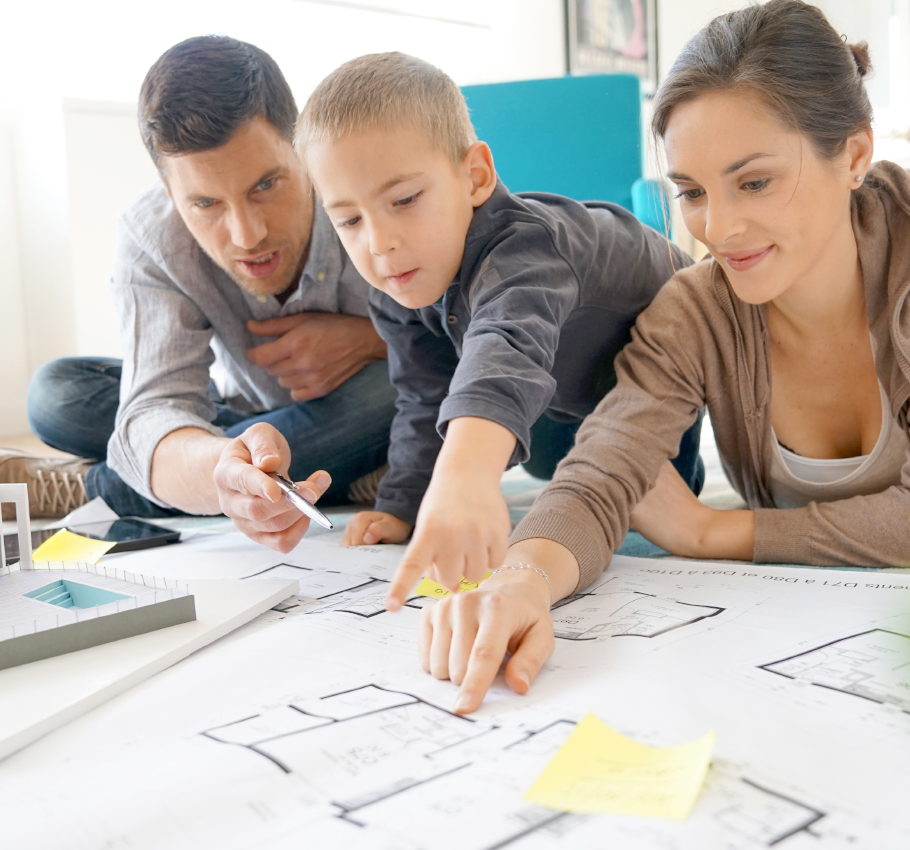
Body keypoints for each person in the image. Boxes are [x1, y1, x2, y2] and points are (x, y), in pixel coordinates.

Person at [418, 0, 910, 714]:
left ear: (856, 155)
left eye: (754, 181)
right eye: (691, 193)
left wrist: (711, 530)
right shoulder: (695, 310)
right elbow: (597, 480)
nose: (720, 229)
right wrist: (522, 579)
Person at [0, 36, 396, 552]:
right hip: (237, 415)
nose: (247, 234)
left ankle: (98, 487)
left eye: (266, 185)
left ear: (301, 147)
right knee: (56, 394)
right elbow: (156, 406)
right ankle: (350, 472)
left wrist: (374, 340)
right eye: (204, 203)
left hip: (379, 403)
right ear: (168, 190)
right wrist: (222, 469)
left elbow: (467, 343)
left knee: (397, 388)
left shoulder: (362, 185)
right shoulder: (154, 235)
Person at [293, 52, 703, 610]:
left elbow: (504, 347)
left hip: (680, 344)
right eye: (349, 220)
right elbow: (422, 397)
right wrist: (402, 504)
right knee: (540, 459)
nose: (379, 242)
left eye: (405, 200)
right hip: (571, 386)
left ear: (475, 177)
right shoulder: (396, 286)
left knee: (649, 501)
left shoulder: (527, 248)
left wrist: (466, 476)